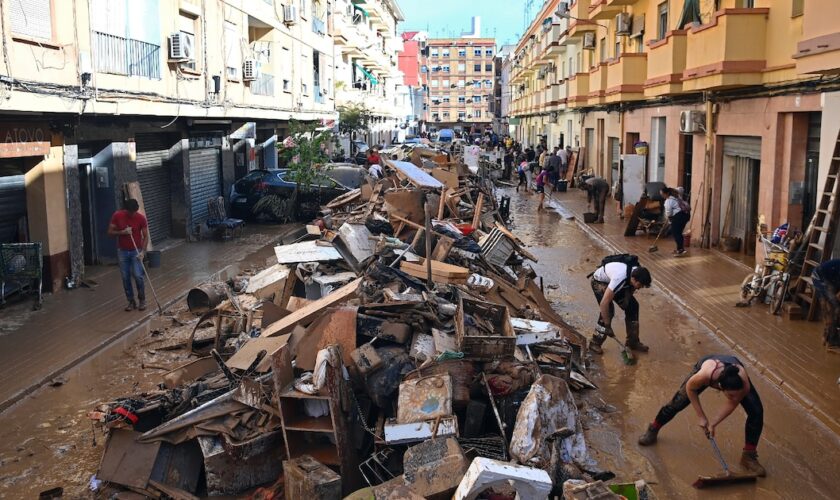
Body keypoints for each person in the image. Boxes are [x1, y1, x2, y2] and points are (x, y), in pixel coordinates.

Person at [637, 354, 766, 477]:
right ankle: (653, 429)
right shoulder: (704, 375)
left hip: (731, 371)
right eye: (730, 394)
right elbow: (690, 388)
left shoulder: (743, 383)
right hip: (708, 365)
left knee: (756, 412)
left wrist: (713, 423)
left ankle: (748, 456)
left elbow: (733, 402)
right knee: (677, 403)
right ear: (720, 388)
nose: (734, 397)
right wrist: (701, 417)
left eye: (736, 394)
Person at [589, 258, 652, 354]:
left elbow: (631, 288)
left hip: (618, 282)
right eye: (639, 285)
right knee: (608, 311)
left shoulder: (637, 272)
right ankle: (595, 342)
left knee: (633, 306)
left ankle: (632, 342)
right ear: (633, 279)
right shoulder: (620, 278)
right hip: (600, 281)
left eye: (642, 286)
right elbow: (603, 303)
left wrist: (627, 300)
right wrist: (607, 325)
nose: (639, 288)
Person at [108, 199, 149, 311]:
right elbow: (110, 232)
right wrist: (122, 232)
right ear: (126, 210)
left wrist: (143, 252)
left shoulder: (141, 218)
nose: (133, 214)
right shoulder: (118, 216)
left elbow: (145, 236)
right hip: (122, 251)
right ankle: (131, 301)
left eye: (134, 211)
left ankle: (142, 300)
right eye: (131, 212)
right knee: (125, 277)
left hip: (136, 251)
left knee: (138, 275)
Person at [811, 259, 840, 350]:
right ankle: (832, 340)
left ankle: (827, 334)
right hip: (821, 277)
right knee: (835, 307)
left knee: (830, 305)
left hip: (826, 277)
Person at [662, 186, 691, 256]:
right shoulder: (676, 197)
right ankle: (679, 249)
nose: (662, 195)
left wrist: (669, 220)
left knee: (676, 233)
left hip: (679, 216)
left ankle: (681, 250)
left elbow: (669, 213)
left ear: (666, 194)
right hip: (685, 215)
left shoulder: (668, 201)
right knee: (678, 233)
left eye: (662, 194)